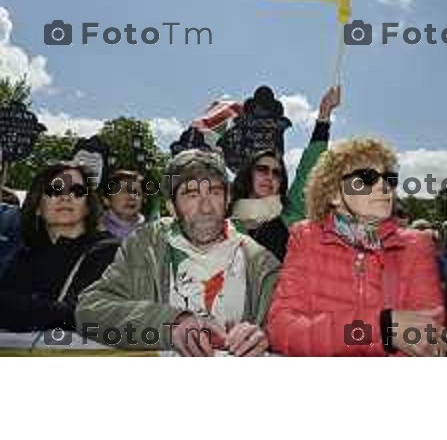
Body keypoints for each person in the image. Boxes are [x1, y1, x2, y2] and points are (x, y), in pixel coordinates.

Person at [76, 149, 280, 357]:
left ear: (227, 201)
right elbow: (89, 312)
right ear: (172, 207)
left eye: (215, 192)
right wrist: (169, 324)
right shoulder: (145, 247)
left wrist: (265, 338)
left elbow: (285, 329)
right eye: (192, 194)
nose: (206, 208)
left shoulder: (262, 264)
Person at [267, 138, 446, 357]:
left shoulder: (416, 246)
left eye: (389, 179)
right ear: (334, 194)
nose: (383, 186)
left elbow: (429, 339)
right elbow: (282, 330)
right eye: (367, 178)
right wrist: (379, 327)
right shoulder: (305, 238)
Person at [0, 162, 119, 332]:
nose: (66, 197)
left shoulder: (110, 251)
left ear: (87, 206)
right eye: (54, 190)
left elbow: (79, 314)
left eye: (77, 191)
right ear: (37, 207)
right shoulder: (25, 254)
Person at [229, 86, 341, 261]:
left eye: (276, 173)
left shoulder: (291, 214)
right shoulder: (225, 225)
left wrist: (324, 115)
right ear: (247, 174)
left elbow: (309, 168)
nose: (270, 177)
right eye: (262, 169)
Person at [101, 169, 145, 240]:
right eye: (124, 191)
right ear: (107, 200)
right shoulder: (95, 231)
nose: (132, 197)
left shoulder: (152, 232)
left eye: (136, 192)